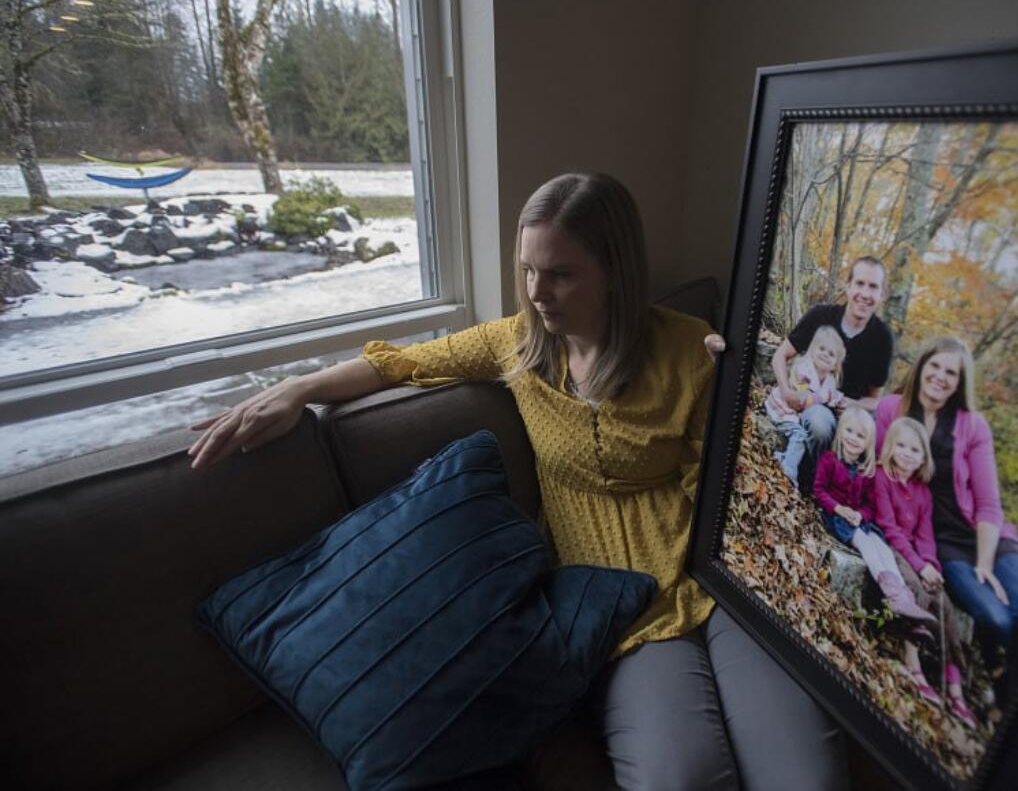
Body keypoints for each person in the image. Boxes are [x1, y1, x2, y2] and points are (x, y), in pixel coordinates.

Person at [188, 173, 849, 791]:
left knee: (805, 772)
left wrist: (748, 386)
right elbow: (401, 365)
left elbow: (735, 483)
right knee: (682, 776)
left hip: (715, 578)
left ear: (616, 270)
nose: (537, 292)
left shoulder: (686, 349)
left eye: (561, 273)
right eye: (529, 269)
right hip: (616, 597)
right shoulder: (516, 346)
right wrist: (297, 389)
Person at [874, 335, 1018, 702]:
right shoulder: (892, 408)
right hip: (944, 544)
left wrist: (986, 564)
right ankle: (999, 679)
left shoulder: (974, 426)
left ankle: (1010, 697)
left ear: (960, 381)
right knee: (996, 618)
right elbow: (875, 469)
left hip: (989, 538)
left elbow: (988, 504)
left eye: (950, 372)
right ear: (922, 365)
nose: (940, 376)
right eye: (935, 366)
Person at [875, 418, 977, 728]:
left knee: (942, 601)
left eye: (914, 450)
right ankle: (913, 664)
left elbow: (925, 536)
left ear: (923, 457)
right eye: (902, 446)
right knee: (916, 591)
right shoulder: (883, 477)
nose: (906, 454)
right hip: (890, 545)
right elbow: (890, 528)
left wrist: (930, 564)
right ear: (891, 446)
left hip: (917, 553)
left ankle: (955, 691)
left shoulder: (923, 492)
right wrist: (919, 567)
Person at [811, 406, 935, 627]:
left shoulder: (865, 471)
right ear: (840, 431)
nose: (853, 439)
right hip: (836, 518)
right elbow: (819, 491)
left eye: (861, 436)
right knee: (866, 546)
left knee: (882, 547)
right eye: (849, 431)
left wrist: (860, 514)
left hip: (858, 521)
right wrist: (838, 509)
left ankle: (903, 597)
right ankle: (893, 595)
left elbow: (869, 505)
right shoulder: (829, 460)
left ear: (868, 442)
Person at [771, 256, 894, 458]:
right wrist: (786, 390)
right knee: (820, 424)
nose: (864, 293)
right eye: (860, 284)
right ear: (848, 287)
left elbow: (874, 400)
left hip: (850, 413)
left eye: (873, 287)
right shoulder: (821, 316)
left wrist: (853, 404)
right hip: (813, 403)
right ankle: (807, 480)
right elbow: (780, 355)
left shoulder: (882, 338)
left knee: (883, 440)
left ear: (882, 295)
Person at [765, 324, 845, 486]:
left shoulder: (829, 380)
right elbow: (801, 399)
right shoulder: (804, 370)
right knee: (799, 436)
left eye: (831, 354)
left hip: (798, 412)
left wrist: (837, 400)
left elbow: (831, 396)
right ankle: (789, 472)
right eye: (822, 349)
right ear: (813, 349)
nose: (825, 355)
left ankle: (783, 457)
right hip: (784, 407)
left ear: (836, 364)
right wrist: (825, 397)